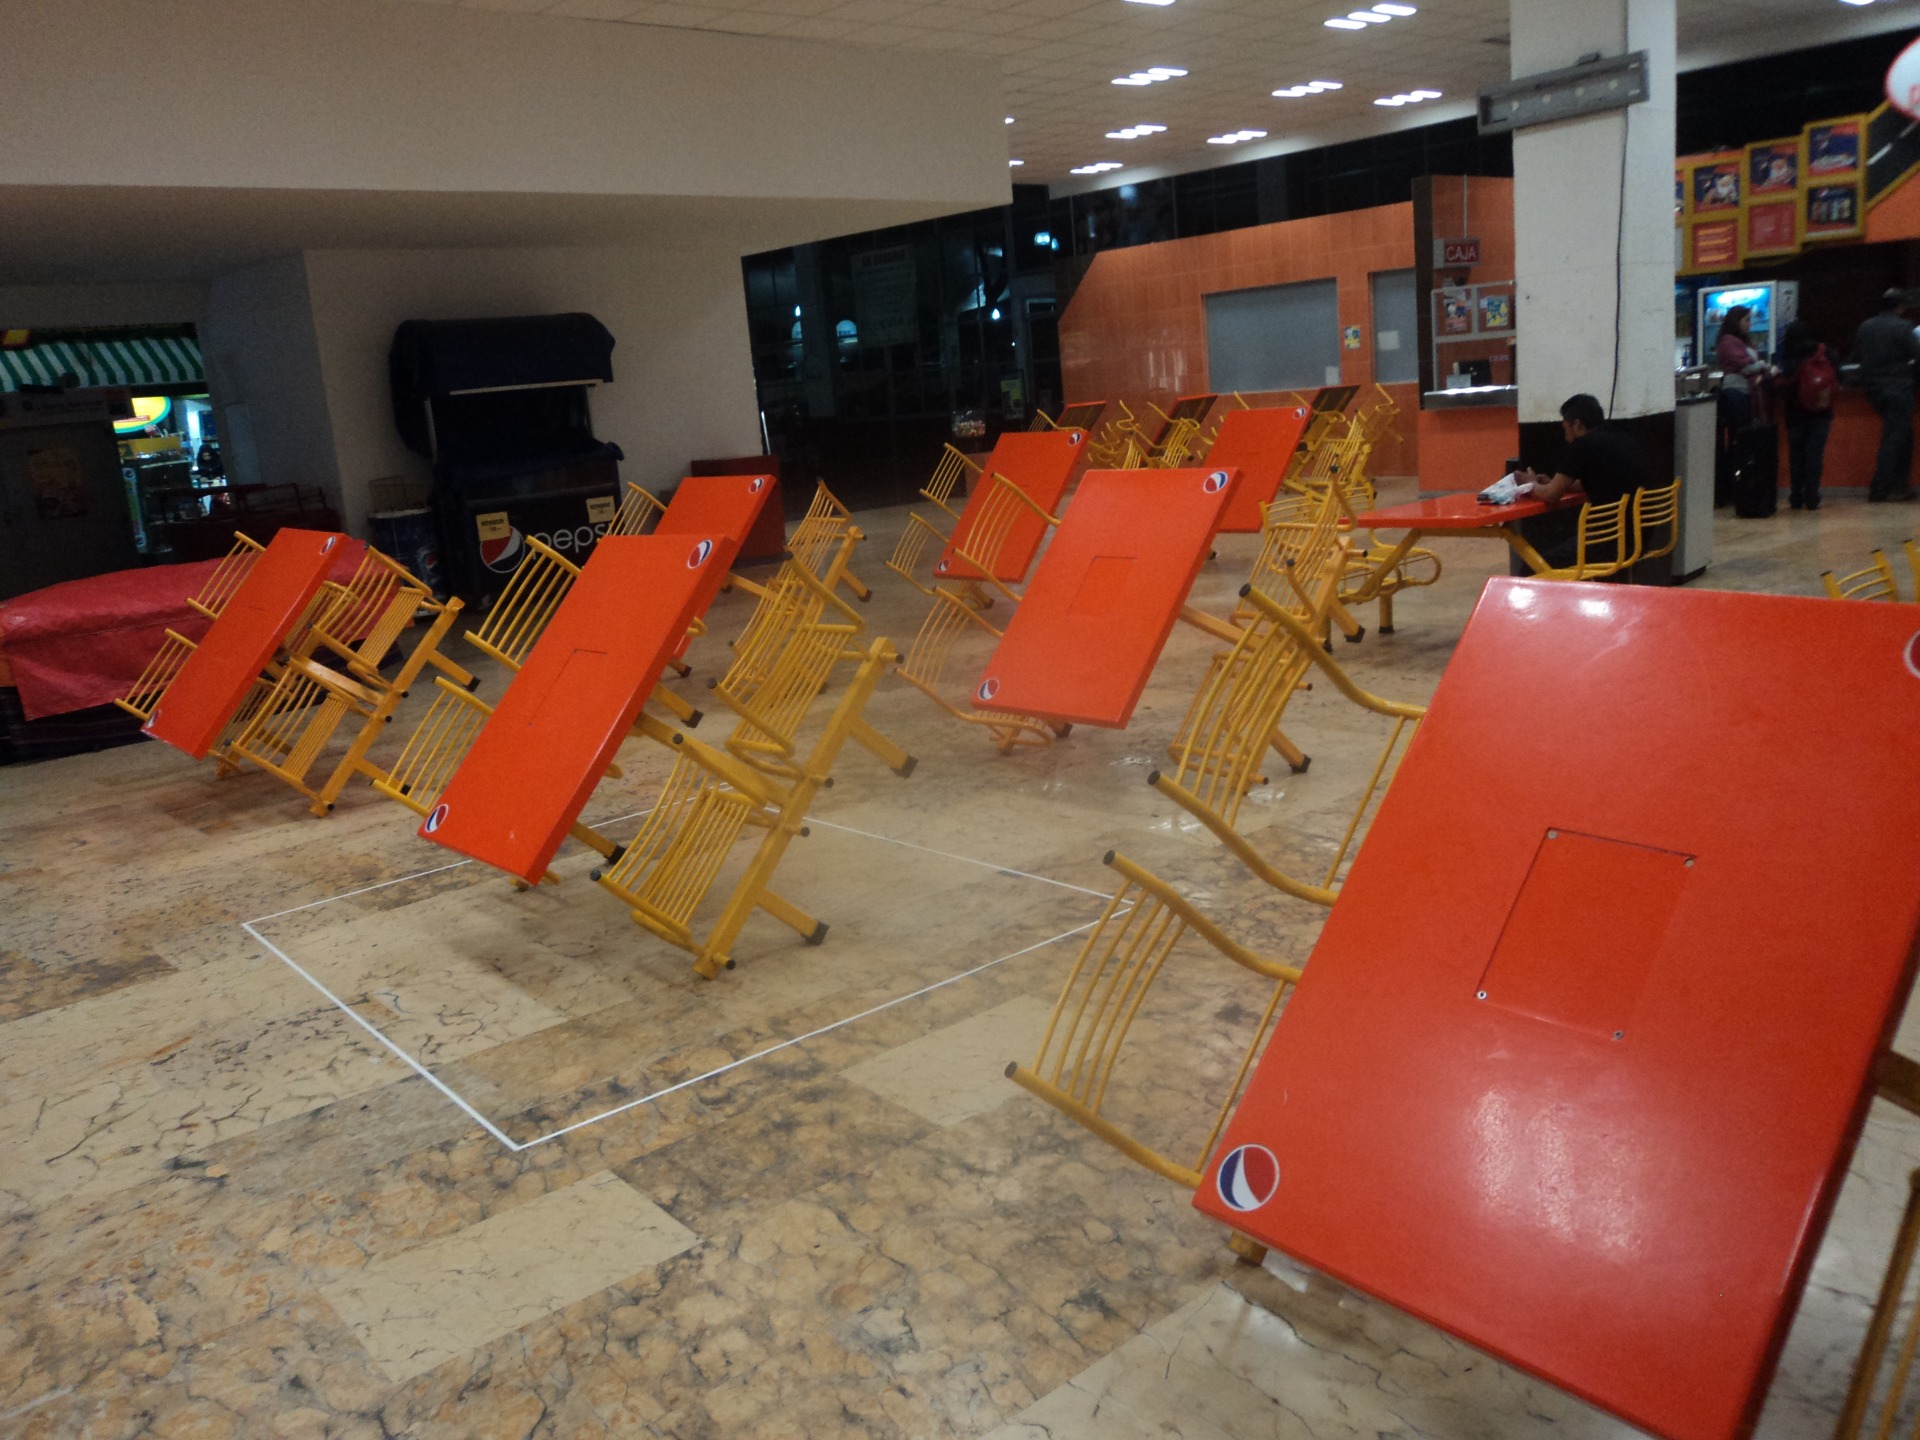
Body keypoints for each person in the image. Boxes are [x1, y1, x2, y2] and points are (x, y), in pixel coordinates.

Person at [1514, 393, 1652, 572]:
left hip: (1609, 542)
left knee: (1531, 568)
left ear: (1577, 424)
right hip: (1640, 536)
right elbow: (1600, 480)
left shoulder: (1584, 445)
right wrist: (1555, 483)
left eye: (1565, 428)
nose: (1565, 436)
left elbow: (1551, 495)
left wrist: (1529, 484)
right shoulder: (1621, 437)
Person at [1848, 288, 1920, 503]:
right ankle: (1880, 489)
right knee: (1894, 439)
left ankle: (1899, 486)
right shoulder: (1904, 327)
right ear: (1901, 307)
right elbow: (1917, 356)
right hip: (1899, 388)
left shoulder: (1865, 326)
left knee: (1903, 436)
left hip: (1874, 389)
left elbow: (1856, 357)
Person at [1713, 305, 1772, 507]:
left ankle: (1739, 486)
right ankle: (1733, 485)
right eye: (1746, 320)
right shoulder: (1728, 342)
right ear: (1736, 321)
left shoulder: (1740, 341)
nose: (1750, 324)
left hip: (1746, 392)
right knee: (1741, 439)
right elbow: (1746, 367)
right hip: (1737, 393)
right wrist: (1763, 366)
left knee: (1743, 440)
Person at [1773, 319, 1834, 511]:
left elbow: (1783, 386)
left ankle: (1796, 497)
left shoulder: (1788, 356)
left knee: (1796, 456)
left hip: (1795, 412)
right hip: (1822, 412)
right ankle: (1812, 497)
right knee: (1815, 455)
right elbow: (1839, 377)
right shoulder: (1825, 352)